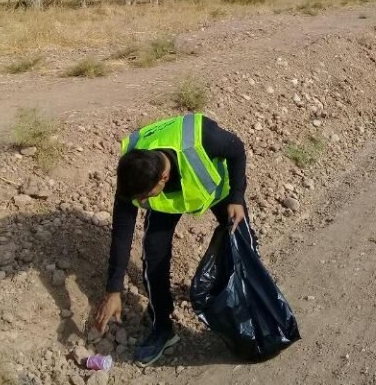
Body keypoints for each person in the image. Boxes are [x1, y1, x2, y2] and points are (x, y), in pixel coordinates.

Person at [94, 113, 256, 366]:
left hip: (216, 191)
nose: (142, 203)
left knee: (243, 245)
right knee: (153, 255)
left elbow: (237, 150)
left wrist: (236, 197)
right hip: (169, 204)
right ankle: (162, 327)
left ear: (163, 179)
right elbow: (122, 232)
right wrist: (114, 289)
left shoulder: (204, 139)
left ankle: (253, 309)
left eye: (145, 197)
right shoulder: (133, 168)